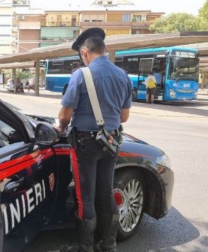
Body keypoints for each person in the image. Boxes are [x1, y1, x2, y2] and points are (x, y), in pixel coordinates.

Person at [56, 27, 132, 252]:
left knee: (85, 198)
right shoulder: (122, 75)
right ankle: (108, 245)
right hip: (111, 143)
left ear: (84, 52)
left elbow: (64, 115)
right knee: (105, 193)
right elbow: (124, 117)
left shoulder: (81, 74)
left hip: (85, 145)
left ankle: (85, 247)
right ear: (104, 50)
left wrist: (59, 126)